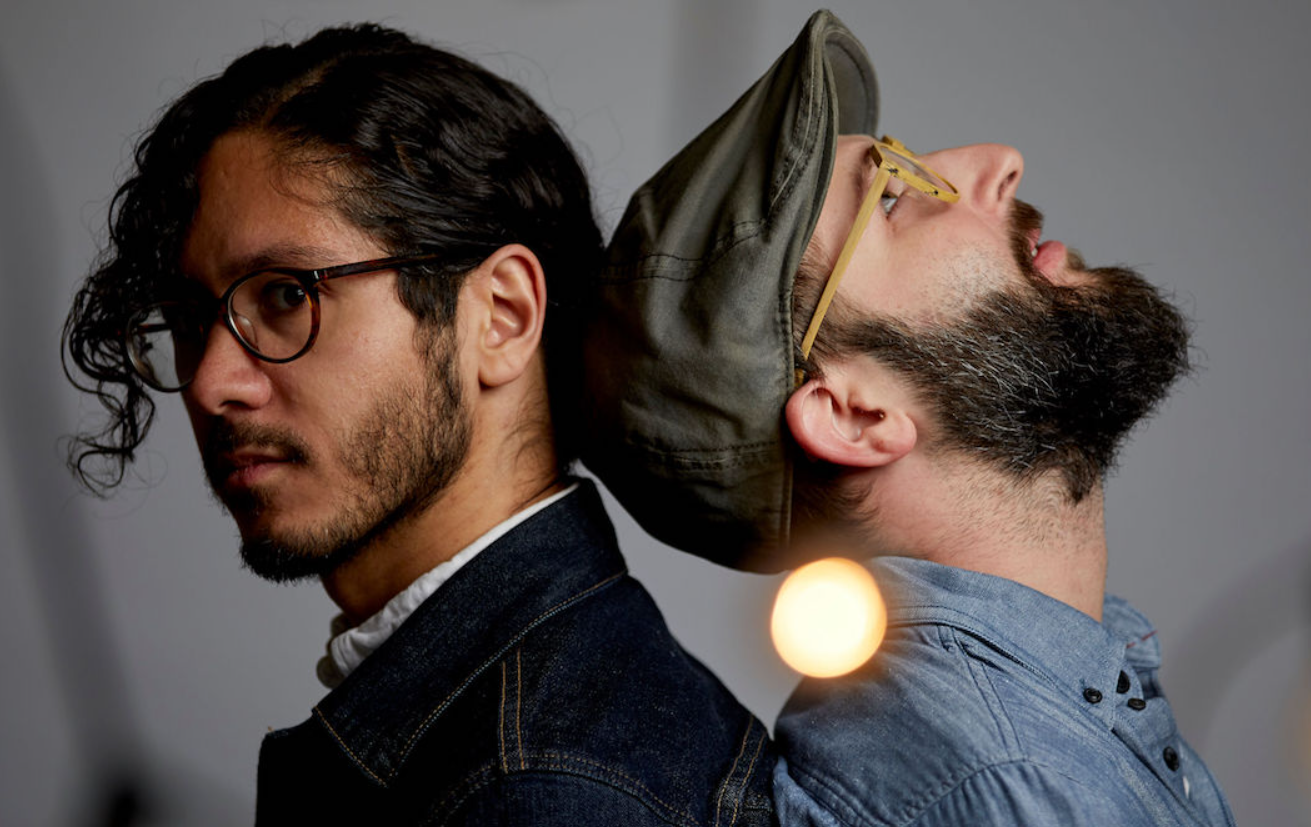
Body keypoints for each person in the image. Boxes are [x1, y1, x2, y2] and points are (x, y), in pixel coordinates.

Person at [62, 24, 776, 826]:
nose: (213, 383)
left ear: (500, 317)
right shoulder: (528, 725)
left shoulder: (540, 788)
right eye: (193, 317)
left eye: (287, 295)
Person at [583, 10, 1234, 826]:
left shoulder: (1051, 705)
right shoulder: (1001, 779)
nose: (998, 163)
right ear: (856, 414)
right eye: (891, 197)